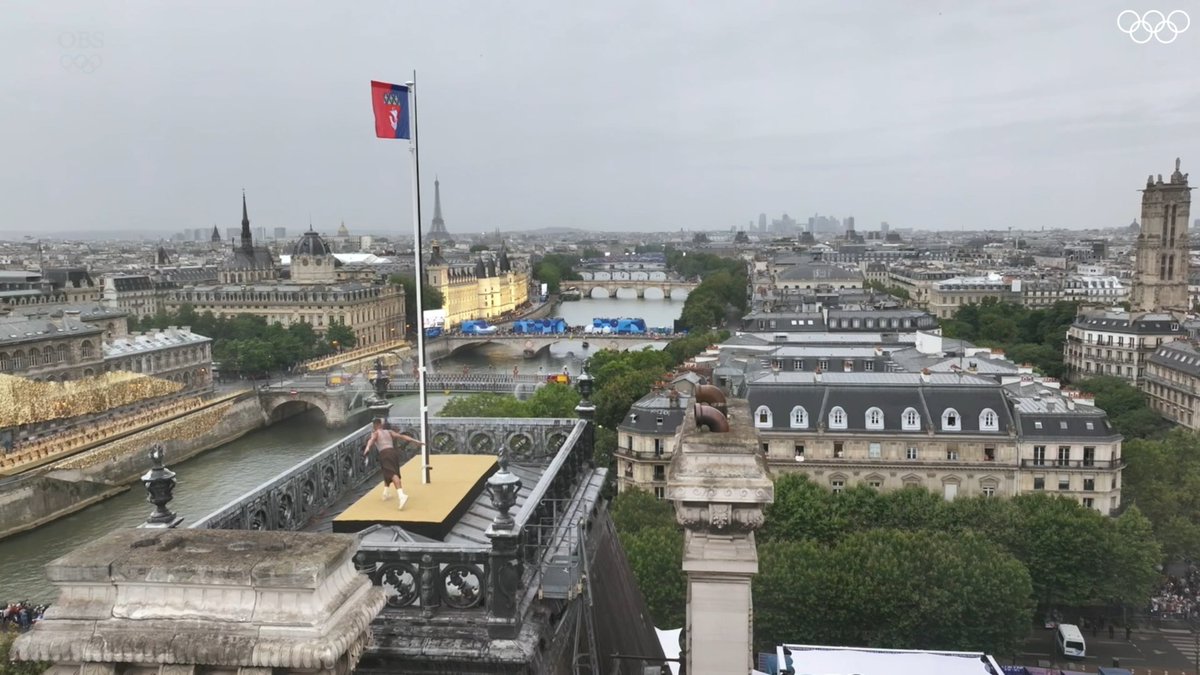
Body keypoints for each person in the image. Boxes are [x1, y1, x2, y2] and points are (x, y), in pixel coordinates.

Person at [364, 418, 423, 510]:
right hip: (393, 453)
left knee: (392, 474)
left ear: (375, 425)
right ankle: (386, 491)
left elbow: (371, 440)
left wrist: (367, 448)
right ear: (381, 425)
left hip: (385, 454)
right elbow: (402, 436)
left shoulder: (375, 433)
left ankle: (401, 495)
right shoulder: (389, 432)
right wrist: (416, 441)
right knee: (388, 471)